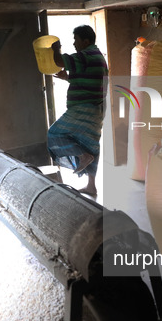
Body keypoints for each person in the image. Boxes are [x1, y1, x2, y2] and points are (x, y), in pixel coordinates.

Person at [47, 25, 108, 196]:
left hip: (84, 109)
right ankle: (91, 186)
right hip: (96, 109)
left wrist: (56, 48)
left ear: (86, 41)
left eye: (76, 40)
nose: (74, 44)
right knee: (90, 144)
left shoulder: (86, 55)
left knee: (54, 134)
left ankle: (82, 156)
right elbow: (86, 79)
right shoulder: (97, 56)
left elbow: (59, 61)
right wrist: (67, 77)